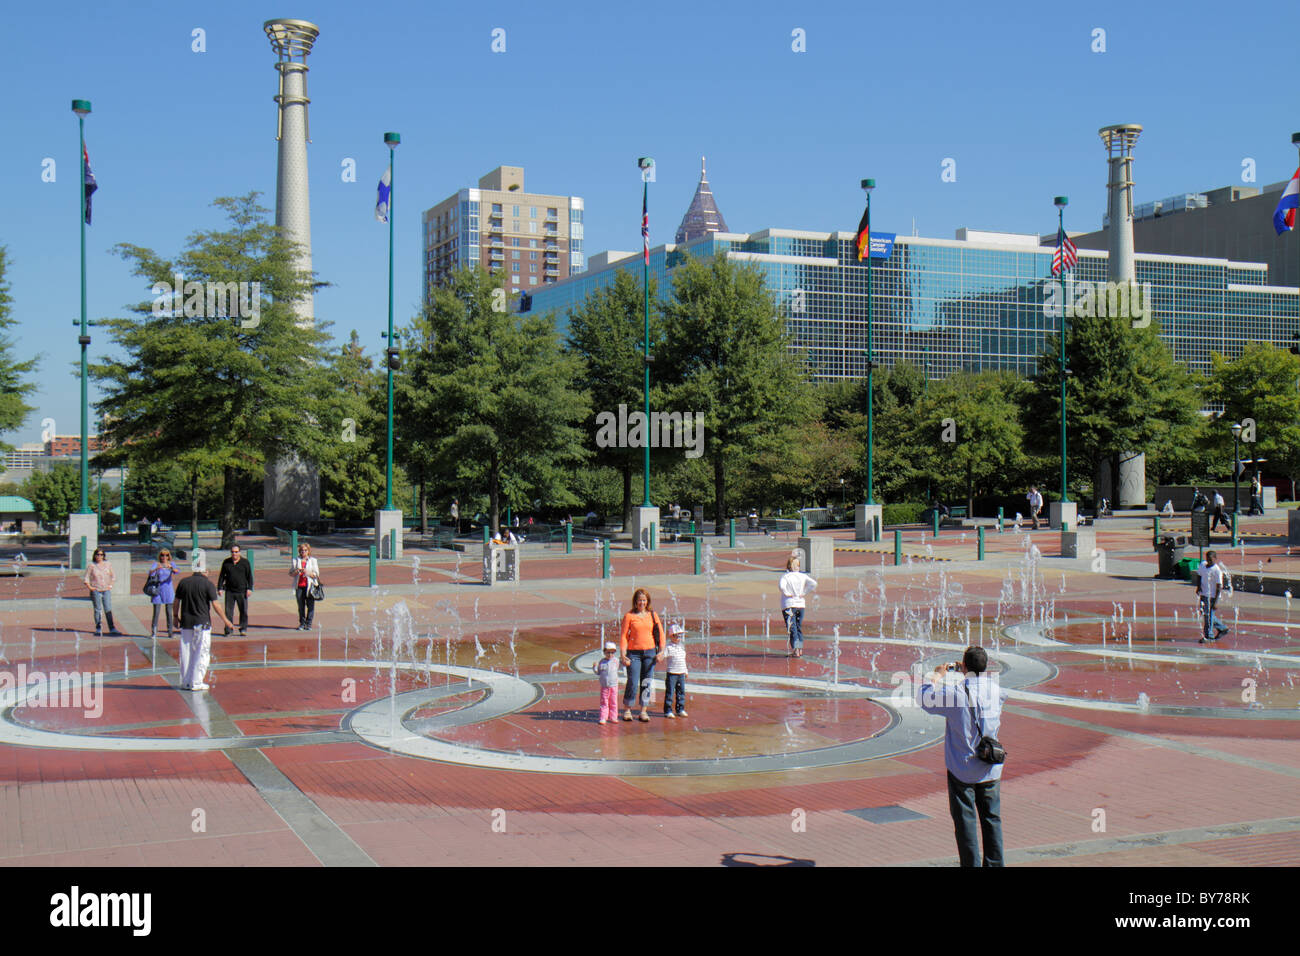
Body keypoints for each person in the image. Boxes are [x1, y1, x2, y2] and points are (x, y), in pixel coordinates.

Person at [918, 646, 1008, 867]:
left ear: (964, 666)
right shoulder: (996, 691)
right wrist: (968, 672)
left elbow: (924, 699)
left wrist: (937, 675)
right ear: (985, 667)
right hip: (991, 767)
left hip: (963, 768)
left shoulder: (956, 694)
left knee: (965, 823)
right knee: (992, 820)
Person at [172, 553, 233, 691]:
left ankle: (186, 681)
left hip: (186, 622)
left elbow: (176, 602)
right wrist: (226, 620)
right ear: (205, 570)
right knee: (201, 651)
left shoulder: (184, 582)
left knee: (186, 651)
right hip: (202, 622)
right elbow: (216, 605)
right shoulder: (208, 584)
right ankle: (197, 681)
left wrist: (175, 617)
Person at [618, 587, 664, 722]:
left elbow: (660, 634)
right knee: (632, 681)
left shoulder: (652, 615)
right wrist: (622, 654)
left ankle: (643, 710)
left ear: (647, 601)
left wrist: (661, 652)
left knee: (647, 681)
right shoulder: (629, 616)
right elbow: (623, 636)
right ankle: (627, 709)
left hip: (650, 653)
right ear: (635, 601)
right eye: (639, 600)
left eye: (644, 600)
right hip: (634, 653)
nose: (642, 603)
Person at [778, 554, 818, 658]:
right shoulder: (803, 576)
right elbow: (813, 583)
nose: (797, 566)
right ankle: (799, 649)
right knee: (798, 626)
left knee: (792, 628)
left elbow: (781, 586)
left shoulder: (786, 577)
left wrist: (787, 593)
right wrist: (804, 592)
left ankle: (796, 649)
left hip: (789, 604)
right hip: (800, 604)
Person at [217, 544, 254, 636]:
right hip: (229, 591)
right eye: (233, 552)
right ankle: (228, 630)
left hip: (242, 591)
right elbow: (222, 576)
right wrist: (220, 588)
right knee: (228, 612)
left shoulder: (245, 563)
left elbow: (249, 577)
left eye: (236, 552)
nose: (234, 554)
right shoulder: (226, 562)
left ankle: (243, 629)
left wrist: (249, 588)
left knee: (243, 611)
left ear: (240, 552)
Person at [83, 548, 117, 636]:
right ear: (94, 555)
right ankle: (98, 628)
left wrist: (110, 585)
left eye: (101, 555)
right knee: (98, 609)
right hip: (96, 590)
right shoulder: (91, 566)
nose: (99, 556)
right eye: (98, 554)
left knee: (108, 608)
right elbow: (86, 578)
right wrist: (90, 587)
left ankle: (112, 628)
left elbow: (113, 576)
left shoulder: (108, 564)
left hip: (106, 590)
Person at [1198, 549, 1229, 643]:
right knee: (1206, 614)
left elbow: (1219, 587)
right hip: (1203, 594)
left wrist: (1215, 602)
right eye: (1207, 559)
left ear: (1215, 559)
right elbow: (1199, 575)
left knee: (1208, 615)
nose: (1209, 561)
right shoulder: (1203, 565)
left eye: (1211, 560)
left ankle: (1209, 636)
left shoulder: (1217, 571)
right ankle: (1222, 628)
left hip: (1212, 596)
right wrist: (1198, 587)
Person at [147, 548, 179, 638]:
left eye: (166, 555)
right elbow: (150, 573)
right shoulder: (156, 564)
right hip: (158, 589)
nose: (164, 557)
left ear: (169, 556)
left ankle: (170, 632)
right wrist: (156, 569)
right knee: (156, 612)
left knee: (169, 612)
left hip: (168, 590)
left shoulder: (171, 564)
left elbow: (177, 571)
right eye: (162, 555)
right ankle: (154, 632)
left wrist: (171, 568)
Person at [290, 543, 321, 631]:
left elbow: (316, 574)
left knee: (310, 605)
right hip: (299, 586)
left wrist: (308, 573)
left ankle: (309, 623)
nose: (303, 552)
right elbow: (291, 573)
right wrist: (297, 571)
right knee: (301, 606)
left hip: (310, 586)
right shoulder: (296, 560)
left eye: (305, 550)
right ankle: (302, 623)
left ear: (308, 551)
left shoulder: (313, 560)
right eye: (301, 550)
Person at [662, 623, 688, 718]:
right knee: (670, 692)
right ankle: (668, 710)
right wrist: (658, 656)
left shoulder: (682, 647)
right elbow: (662, 656)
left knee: (681, 692)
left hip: (681, 673)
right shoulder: (668, 647)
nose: (679, 638)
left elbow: (683, 660)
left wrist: (686, 671)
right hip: (672, 673)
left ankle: (680, 709)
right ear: (671, 636)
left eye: (680, 635)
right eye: (677, 635)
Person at [593, 642, 621, 725]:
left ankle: (613, 717)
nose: (610, 654)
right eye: (608, 652)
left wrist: (626, 663)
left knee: (613, 702)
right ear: (604, 652)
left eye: (612, 652)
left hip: (614, 686)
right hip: (604, 686)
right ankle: (603, 717)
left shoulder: (616, 661)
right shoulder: (602, 662)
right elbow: (598, 672)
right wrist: (594, 667)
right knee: (604, 702)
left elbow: (622, 666)